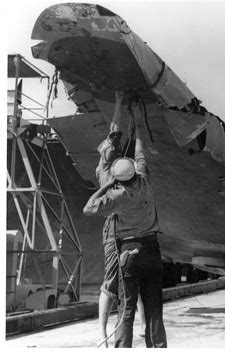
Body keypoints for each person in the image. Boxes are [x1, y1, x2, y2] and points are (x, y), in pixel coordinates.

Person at [83, 99, 167, 348]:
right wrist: (137, 121)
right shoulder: (144, 181)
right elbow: (134, 149)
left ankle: (113, 338)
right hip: (149, 246)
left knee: (124, 300)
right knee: (149, 300)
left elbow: (113, 134)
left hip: (124, 242)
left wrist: (119, 102)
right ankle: (153, 342)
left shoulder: (114, 190)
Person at [94, 91, 146, 347]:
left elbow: (125, 138)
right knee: (112, 281)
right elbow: (115, 133)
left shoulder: (114, 168)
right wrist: (118, 102)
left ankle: (142, 325)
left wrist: (133, 115)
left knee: (138, 275)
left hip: (129, 228)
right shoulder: (107, 168)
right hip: (115, 230)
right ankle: (102, 331)